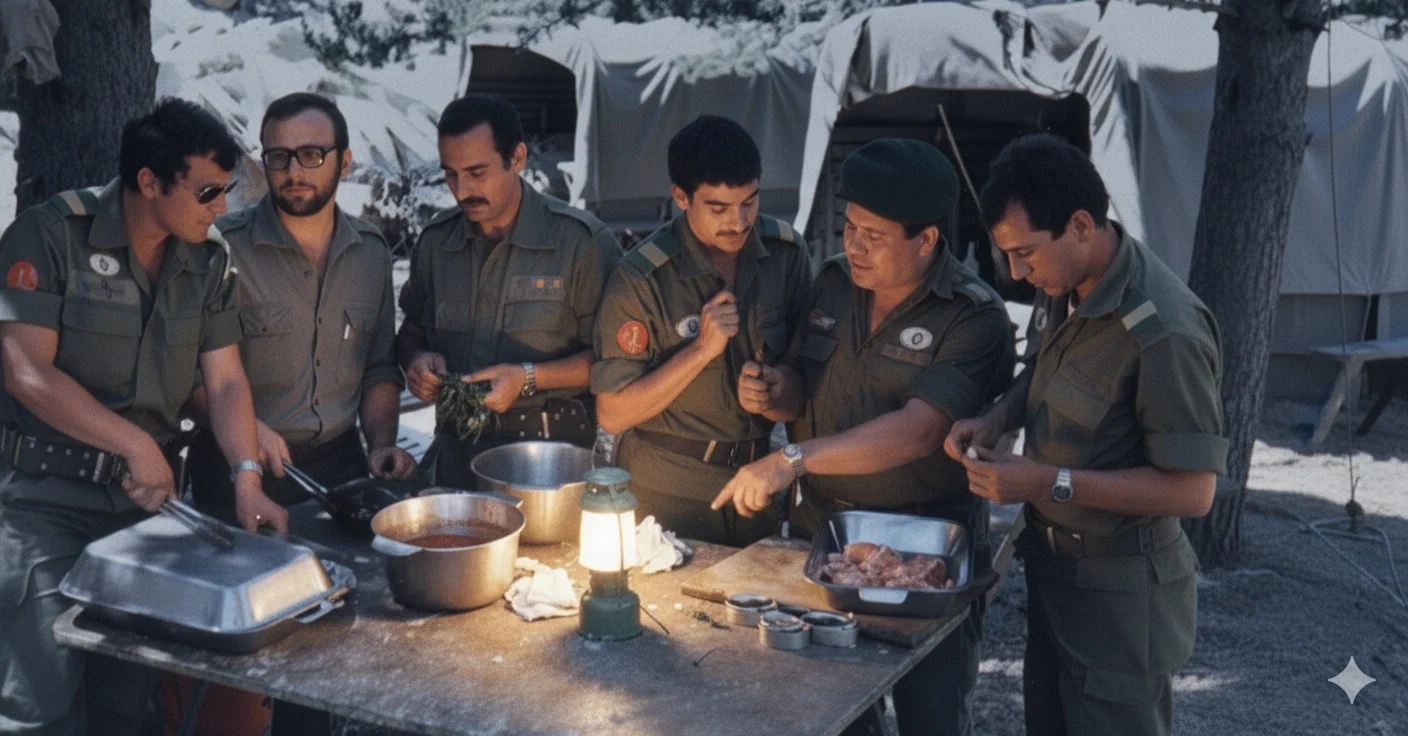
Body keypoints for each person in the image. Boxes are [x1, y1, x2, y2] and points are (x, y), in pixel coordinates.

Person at [713, 139, 1015, 735]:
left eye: (873, 236)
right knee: (832, 713)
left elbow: (919, 430)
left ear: (925, 239)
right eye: (848, 227)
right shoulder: (832, 284)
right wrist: (776, 389)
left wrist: (791, 460)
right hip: (824, 534)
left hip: (922, 549)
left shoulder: (973, 316)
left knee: (931, 715)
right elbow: (807, 383)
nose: (853, 246)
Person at [0, 98, 282, 736]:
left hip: (143, 512)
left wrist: (245, 475)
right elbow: (24, 370)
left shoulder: (206, 262)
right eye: (207, 191)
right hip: (44, 506)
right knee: (43, 709)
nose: (221, 208)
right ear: (149, 182)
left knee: (130, 703)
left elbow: (227, 379)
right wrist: (133, 443)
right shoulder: (50, 236)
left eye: (227, 190)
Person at [944, 134, 1226, 736]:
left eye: (1026, 254)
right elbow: (1046, 369)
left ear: (1079, 224)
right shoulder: (1067, 283)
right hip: (1057, 574)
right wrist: (998, 417)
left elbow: (1192, 491)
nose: (1018, 274)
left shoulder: (1165, 330)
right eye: (1007, 257)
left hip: (1122, 600)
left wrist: (1047, 480)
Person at [187, 92, 414, 523]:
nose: (293, 172)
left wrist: (382, 444)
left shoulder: (371, 253)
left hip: (342, 471)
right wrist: (249, 431)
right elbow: (187, 380)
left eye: (311, 155)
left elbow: (379, 367)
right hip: (237, 472)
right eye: (278, 157)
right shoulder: (219, 250)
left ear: (344, 163)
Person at [591, 115, 811, 546]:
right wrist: (699, 351)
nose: (738, 221)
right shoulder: (642, 276)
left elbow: (806, 376)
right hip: (667, 492)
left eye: (750, 201)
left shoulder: (787, 253)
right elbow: (613, 413)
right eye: (718, 208)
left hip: (756, 490)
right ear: (680, 197)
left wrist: (774, 390)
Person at [396, 94, 621, 488]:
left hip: (549, 466)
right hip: (456, 461)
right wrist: (416, 360)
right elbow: (410, 331)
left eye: (476, 172)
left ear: (517, 159)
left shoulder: (580, 244)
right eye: (450, 174)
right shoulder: (435, 244)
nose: (461, 190)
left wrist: (528, 377)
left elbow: (616, 362)